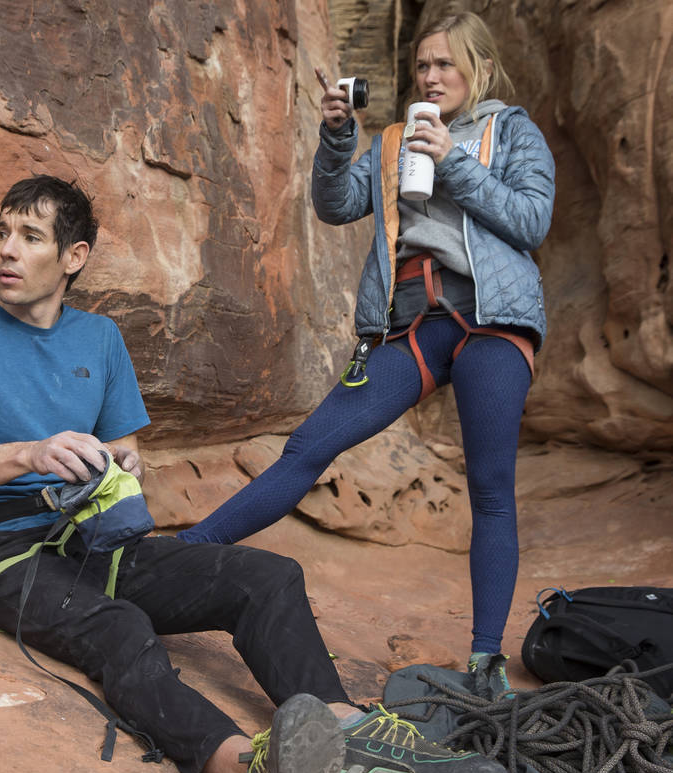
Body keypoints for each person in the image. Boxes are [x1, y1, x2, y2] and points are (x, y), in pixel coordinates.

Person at [0, 174, 507, 773]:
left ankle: (348, 736)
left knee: (266, 577)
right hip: (5, 553)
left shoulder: (98, 339)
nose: (7, 249)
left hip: (100, 538)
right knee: (121, 629)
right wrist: (29, 454)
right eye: (2, 232)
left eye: (30, 236)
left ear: (74, 257)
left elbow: (127, 450)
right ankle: (259, 771)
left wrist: (119, 467)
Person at [178, 11, 556, 699]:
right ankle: (184, 554)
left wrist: (454, 163)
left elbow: (533, 220)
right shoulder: (392, 142)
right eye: (423, 65)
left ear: (480, 68)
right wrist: (337, 137)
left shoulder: (511, 130)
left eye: (445, 64)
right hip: (413, 323)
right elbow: (335, 204)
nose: (431, 76)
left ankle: (484, 664)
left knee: (492, 489)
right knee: (309, 445)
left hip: (492, 319)